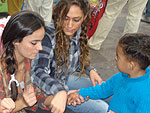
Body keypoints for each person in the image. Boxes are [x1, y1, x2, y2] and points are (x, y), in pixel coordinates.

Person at [31, 0, 108, 113]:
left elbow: (74, 60)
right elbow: (38, 71)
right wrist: (61, 92)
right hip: (46, 90)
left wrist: (90, 70)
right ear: (58, 16)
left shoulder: (78, 31)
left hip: (64, 81)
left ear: (85, 16)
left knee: (106, 90)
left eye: (76, 20)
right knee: (102, 108)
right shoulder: (48, 36)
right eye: (65, 18)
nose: (70, 25)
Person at [0, 10, 74, 113]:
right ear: (15, 41)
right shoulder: (2, 69)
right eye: (34, 43)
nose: (40, 47)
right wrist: (23, 103)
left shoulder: (29, 61)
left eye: (41, 41)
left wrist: (59, 99)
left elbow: (38, 96)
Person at [68, 33, 150, 113]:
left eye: (118, 56)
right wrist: (80, 93)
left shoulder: (145, 94)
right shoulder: (121, 76)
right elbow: (103, 90)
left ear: (131, 65)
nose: (115, 58)